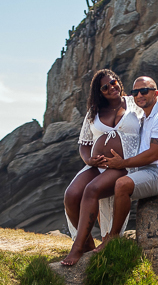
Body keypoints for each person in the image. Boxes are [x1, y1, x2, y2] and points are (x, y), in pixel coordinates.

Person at [60, 69, 142, 267]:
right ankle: (87, 244)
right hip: (97, 166)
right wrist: (89, 160)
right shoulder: (94, 111)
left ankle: (77, 248)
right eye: (105, 87)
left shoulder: (135, 103)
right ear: (100, 92)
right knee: (71, 195)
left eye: (113, 82)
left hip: (124, 165)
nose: (111, 88)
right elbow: (84, 143)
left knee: (92, 190)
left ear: (118, 82)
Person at [97, 75, 158, 251]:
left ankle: (113, 238)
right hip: (142, 169)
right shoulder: (144, 116)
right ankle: (102, 236)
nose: (139, 95)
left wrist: (122, 163)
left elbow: (153, 154)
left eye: (144, 91)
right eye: (135, 92)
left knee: (122, 185)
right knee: (96, 187)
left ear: (156, 93)